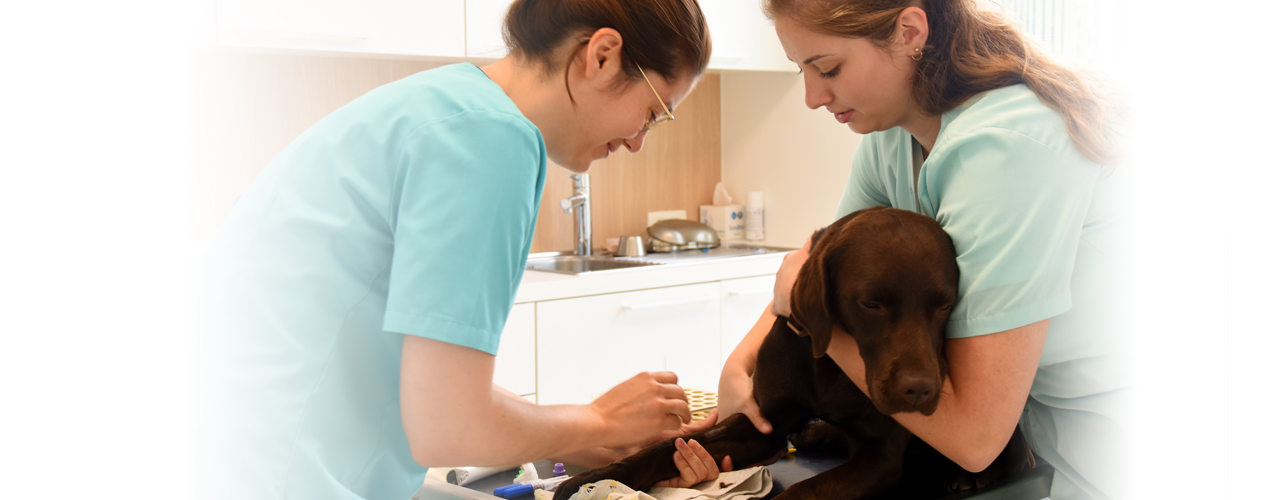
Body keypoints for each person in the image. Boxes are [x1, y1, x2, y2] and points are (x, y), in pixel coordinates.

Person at [205, 1, 731, 499]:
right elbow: (446, 422)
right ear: (601, 55)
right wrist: (603, 419)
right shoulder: (492, 140)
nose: (639, 141)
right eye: (655, 112)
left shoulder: (448, 104)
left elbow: (424, 384)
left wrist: (583, 438)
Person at [716, 1, 1130, 499]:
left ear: (910, 31)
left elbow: (974, 437)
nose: (812, 95)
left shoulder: (1007, 148)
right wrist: (739, 367)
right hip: (1026, 441)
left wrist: (797, 312)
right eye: (802, 69)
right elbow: (819, 272)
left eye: (828, 68)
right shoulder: (892, 139)